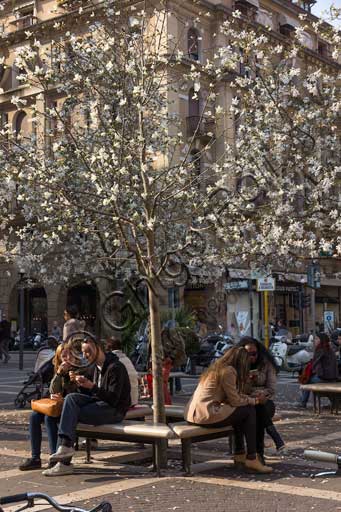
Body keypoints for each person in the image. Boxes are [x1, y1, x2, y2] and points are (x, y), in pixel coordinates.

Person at [43, 335, 131, 476]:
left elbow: (113, 399)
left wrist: (92, 386)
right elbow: (90, 394)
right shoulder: (94, 368)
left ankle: (63, 459)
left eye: (88, 351)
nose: (86, 355)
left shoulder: (116, 367)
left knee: (69, 414)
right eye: (83, 352)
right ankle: (65, 450)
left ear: (98, 348)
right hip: (100, 405)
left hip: (115, 410)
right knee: (71, 400)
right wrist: (81, 385)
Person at [184, 346, 272, 474]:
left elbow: (233, 395)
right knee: (248, 410)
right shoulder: (229, 371)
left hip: (194, 413)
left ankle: (240, 453)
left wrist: (249, 397)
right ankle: (252, 457)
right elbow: (235, 400)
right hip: (206, 413)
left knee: (240, 411)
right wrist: (256, 401)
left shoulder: (217, 368)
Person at [19, 344, 79, 471]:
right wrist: (59, 374)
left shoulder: (79, 370)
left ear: (74, 355)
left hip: (70, 408)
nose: (67, 358)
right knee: (34, 416)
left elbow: (77, 393)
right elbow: (53, 390)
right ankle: (35, 458)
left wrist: (71, 378)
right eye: (63, 356)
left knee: (49, 418)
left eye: (69, 354)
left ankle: (54, 457)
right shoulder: (58, 369)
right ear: (58, 357)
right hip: (56, 406)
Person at [239, 337, 285, 460]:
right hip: (245, 401)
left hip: (265, 401)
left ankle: (256, 455)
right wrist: (249, 382)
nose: (251, 357)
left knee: (258, 409)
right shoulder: (238, 366)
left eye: (254, 353)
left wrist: (261, 394)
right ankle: (261, 452)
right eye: (247, 354)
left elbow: (271, 389)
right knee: (256, 413)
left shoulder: (266, 364)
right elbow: (237, 390)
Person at [299, 332, 338, 408]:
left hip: (325, 378)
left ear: (321, 340)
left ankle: (303, 402)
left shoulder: (320, 350)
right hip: (333, 377)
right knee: (309, 379)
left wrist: (313, 373)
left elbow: (317, 367)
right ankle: (334, 402)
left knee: (307, 380)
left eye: (317, 339)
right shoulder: (329, 349)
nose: (315, 340)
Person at [105, 336, 139, 406]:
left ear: (109, 348)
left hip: (124, 403)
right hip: (134, 400)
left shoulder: (113, 362)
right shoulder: (126, 359)